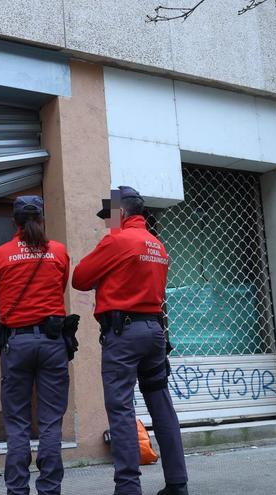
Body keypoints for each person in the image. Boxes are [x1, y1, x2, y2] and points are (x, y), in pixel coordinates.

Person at [72, 186, 189, 495]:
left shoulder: (116, 240)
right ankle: (178, 484)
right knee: (161, 405)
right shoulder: (157, 245)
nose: (106, 223)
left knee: (121, 408)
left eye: (109, 216)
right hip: (154, 332)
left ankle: (128, 488)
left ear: (120, 213)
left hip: (123, 335)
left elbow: (80, 278)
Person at [0, 195, 71, 495]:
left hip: (17, 344)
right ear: (42, 220)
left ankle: (17, 490)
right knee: (50, 422)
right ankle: (50, 490)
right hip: (52, 343)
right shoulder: (59, 252)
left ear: (15, 222)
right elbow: (60, 291)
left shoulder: (0, 254)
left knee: (18, 423)